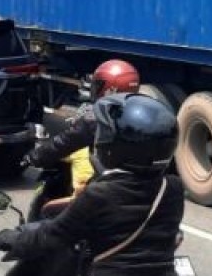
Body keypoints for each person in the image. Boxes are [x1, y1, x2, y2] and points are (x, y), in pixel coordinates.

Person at [0, 93, 184, 276]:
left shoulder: (100, 194)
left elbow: (52, 236)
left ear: (116, 145)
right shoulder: (172, 187)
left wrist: (12, 238)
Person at [26, 59, 140, 191]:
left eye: (99, 84)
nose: (95, 88)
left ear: (111, 89)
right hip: (145, 184)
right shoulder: (142, 114)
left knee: (56, 209)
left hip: (108, 184)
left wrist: (34, 157)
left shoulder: (98, 118)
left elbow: (64, 142)